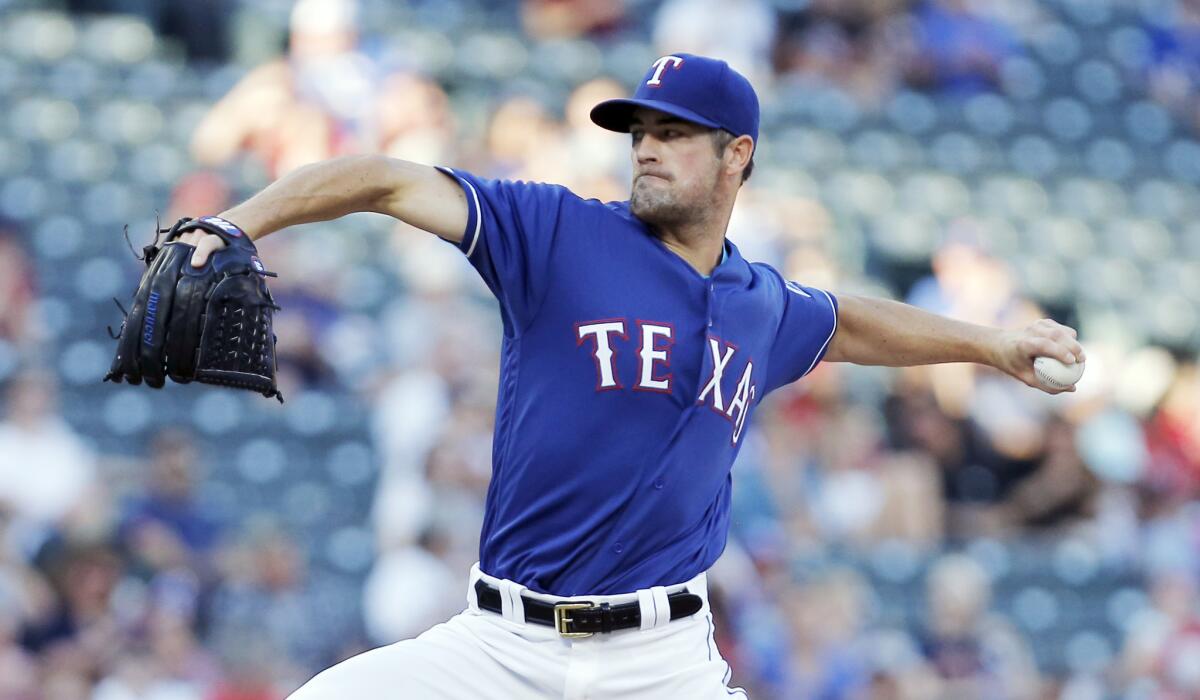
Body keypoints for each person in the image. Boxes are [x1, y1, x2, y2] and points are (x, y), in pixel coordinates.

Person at [177, 53, 1083, 698]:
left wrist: (992, 345)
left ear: (738, 156)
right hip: (498, 648)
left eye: (675, 134)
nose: (646, 147)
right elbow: (383, 179)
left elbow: (850, 323)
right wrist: (237, 222)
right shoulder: (557, 233)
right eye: (639, 130)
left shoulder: (759, 302)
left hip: (664, 663)